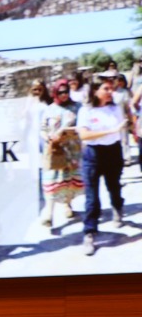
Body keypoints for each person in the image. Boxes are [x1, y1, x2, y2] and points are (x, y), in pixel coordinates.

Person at [76, 74, 130, 256]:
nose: (110, 92)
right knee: (91, 197)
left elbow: (123, 125)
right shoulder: (86, 111)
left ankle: (117, 207)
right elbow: (84, 135)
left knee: (114, 186)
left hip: (113, 152)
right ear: (95, 91)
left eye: (111, 88)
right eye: (106, 89)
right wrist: (110, 130)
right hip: (93, 154)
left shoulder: (115, 108)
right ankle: (90, 232)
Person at [40, 79, 81, 231]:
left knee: (69, 180)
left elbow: (83, 125)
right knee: (52, 180)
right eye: (61, 92)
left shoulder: (77, 107)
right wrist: (48, 138)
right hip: (55, 150)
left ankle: (67, 205)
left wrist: (70, 130)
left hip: (72, 150)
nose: (64, 95)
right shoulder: (49, 109)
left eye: (66, 92)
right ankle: (49, 214)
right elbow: (42, 128)